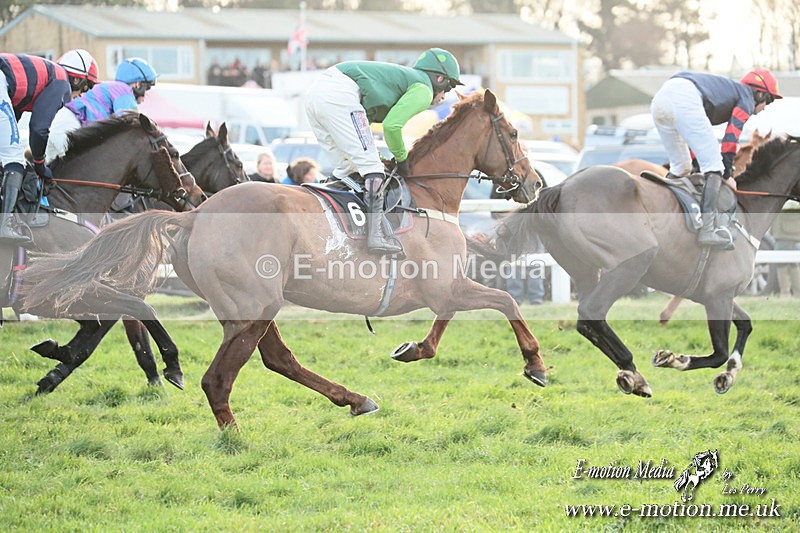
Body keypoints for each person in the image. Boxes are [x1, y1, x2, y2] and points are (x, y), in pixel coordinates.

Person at [305, 48, 463, 255]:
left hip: (316, 95)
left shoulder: (401, 81)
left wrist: (376, 157)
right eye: (448, 88)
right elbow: (392, 126)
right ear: (439, 79)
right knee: (372, 170)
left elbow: (363, 129)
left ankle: (317, 218)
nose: (444, 97)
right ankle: (376, 235)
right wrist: (402, 157)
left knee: (346, 168)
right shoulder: (423, 88)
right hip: (339, 94)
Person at [651, 69, 782, 247]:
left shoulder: (729, 91)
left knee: (681, 168)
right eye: (769, 100)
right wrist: (726, 174)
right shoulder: (746, 98)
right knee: (715, 166)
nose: (765, 107)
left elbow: (693, 140)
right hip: (684, 95)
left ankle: (663, 217)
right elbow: (730, 139)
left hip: (661, 98)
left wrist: (698, 164)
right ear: (759, 93)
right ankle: (708, 229)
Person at [0, 49, 98, 245]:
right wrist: (39, 164)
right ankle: (5, 224)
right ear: (77, 80)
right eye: (85, 87)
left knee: (10, 151)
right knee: (14, 156)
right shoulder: (61, 82)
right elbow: (39, 128)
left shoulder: (38, 80)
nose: (80, 95)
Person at [46, 57, 158, 162]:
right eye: (147, 88)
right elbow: (129, 122)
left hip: (59, 122)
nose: (146, 95)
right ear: (137, 84)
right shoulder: (124, 90)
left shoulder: (113, 88)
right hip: (70, 126)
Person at [771, 200, 800, 298]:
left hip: (782, 235)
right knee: (795, 265)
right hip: (795, 235)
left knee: (782, 265)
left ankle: (785, 293)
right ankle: (796, 293)